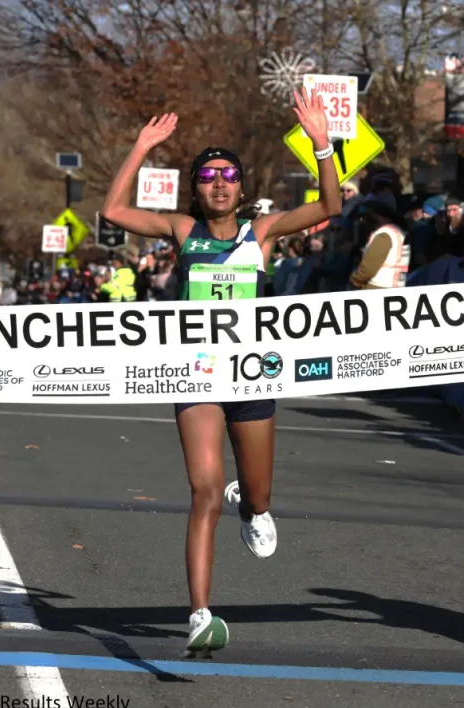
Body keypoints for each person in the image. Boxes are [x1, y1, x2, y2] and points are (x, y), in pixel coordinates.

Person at [101, 89, 341, 655]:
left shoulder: (261, 233)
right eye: (208, 175)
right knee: (203, 488)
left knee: (257, 495)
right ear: (197, 187)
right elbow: (113, 213)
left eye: (228, 174)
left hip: (252, 375)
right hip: (196, 375)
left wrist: (322, 145)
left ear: (241, 186)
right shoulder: (184, 232)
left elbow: (330, 208)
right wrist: (139, 148)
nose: (218, 182)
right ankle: (200, 615)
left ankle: (252, 505)